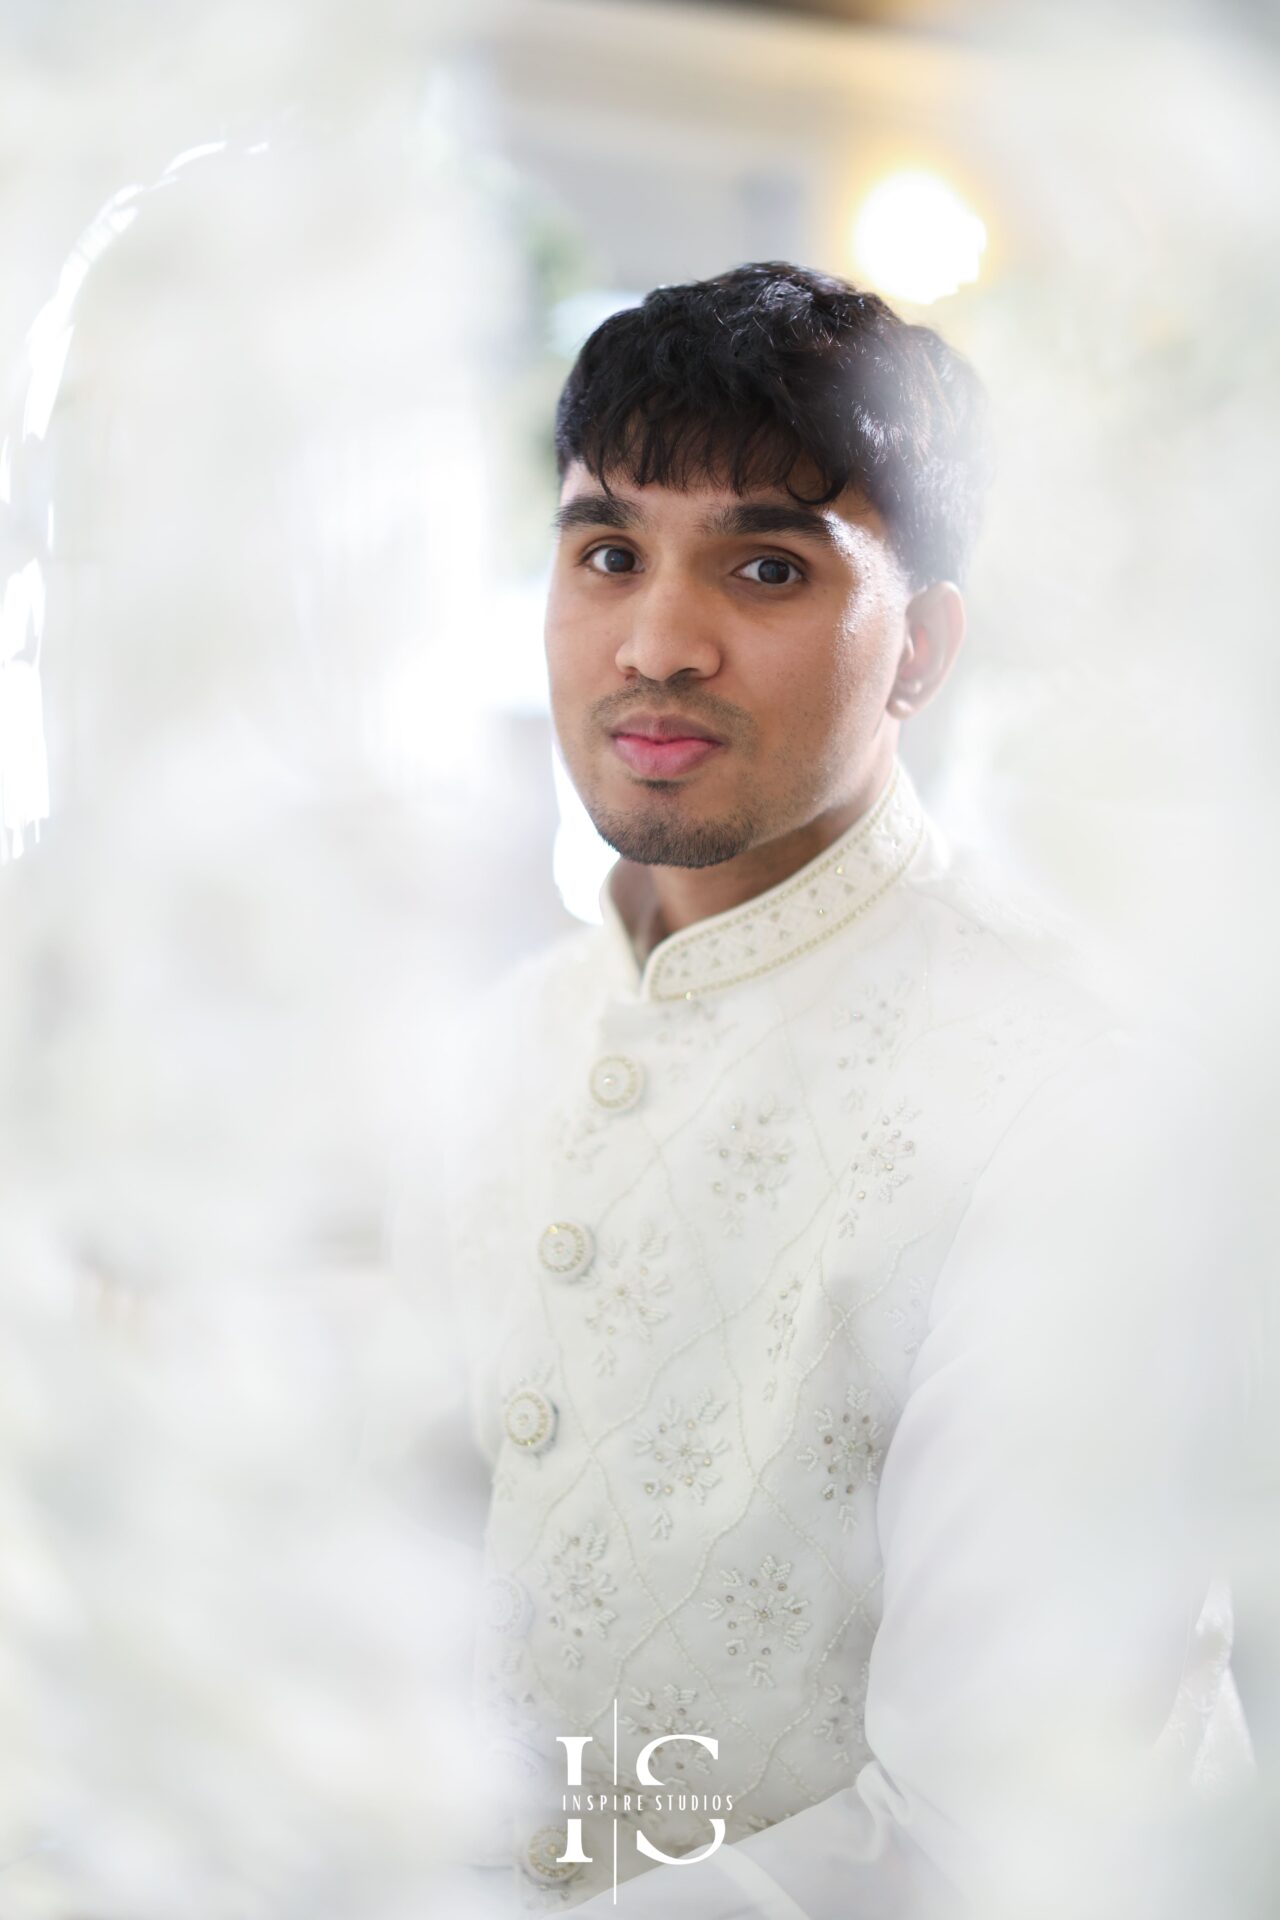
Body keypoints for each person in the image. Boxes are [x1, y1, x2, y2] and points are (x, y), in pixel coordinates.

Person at [437, 262, 1253, 1918]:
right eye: (608, 552)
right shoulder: (490, 1046)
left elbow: (993, 1840)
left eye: (766, 564)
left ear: (922, 650)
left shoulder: (1079, 1114)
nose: (656, 640)